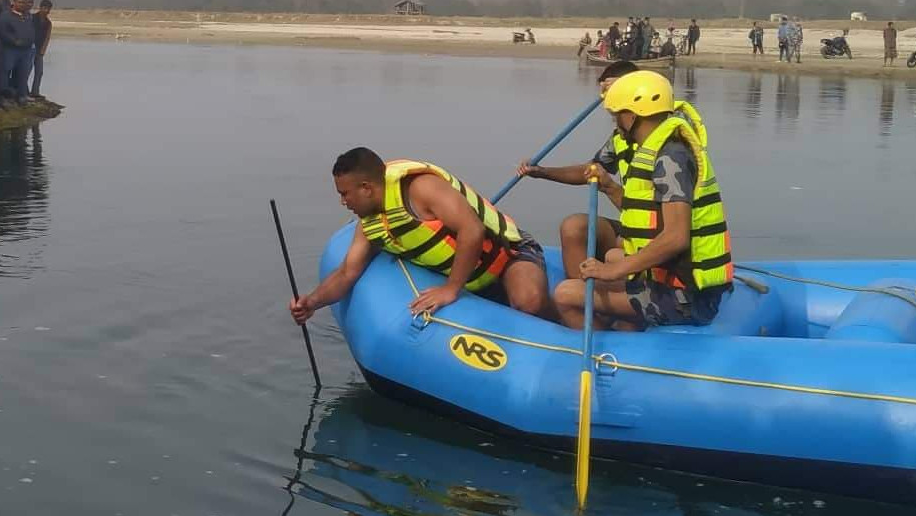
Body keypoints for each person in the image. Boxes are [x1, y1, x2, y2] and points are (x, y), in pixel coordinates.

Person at [288, 146, 558, 325]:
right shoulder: (370, 225)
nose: (343, 202)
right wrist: (311, 302)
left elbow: (472, 230)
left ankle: (568, 328)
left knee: (529, 303)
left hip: (509, 255)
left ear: (366, 188)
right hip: (474, 280)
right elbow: (347, 272)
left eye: (345, 194)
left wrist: (451, 289)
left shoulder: (420, 189)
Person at [550, 70, 734, 331]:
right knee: (612, 258)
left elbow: (676, 237)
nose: (616, 124)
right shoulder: (663, 148)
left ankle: (610, 355)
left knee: (566, 294)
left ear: (632, 116)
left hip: (684, 298)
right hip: (667, 282)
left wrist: (616, 270)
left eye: (617, 116)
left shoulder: (670, 159)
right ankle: (622, 330)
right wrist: (610, 188)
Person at [518, 60, 712, 279]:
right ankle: (579, 296)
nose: (612, 108)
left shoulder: (670, 150)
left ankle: (585, 297)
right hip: (638, 226)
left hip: (665, 237)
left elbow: (673, 232)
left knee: (613, 255)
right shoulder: (622, 139)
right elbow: (594, 171)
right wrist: (542, 172)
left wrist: (614, 268)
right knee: (575, 227)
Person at [0, 0, 37, 104]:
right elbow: (2, 32)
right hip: (10, 49)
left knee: (23, 73)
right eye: (20, 2)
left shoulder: (28, 16)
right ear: (14, 2)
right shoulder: (6, 15)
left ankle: (21, 96)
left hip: (26, 50)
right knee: (5, 71)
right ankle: (3, 96)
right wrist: (14, 41)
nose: (22, 5)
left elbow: (31, 31)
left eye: (24, 3)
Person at [32, 0, 53, 98]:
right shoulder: (32, 18)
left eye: (48, 9)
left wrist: (43, 50)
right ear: (40, 8)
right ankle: (22, 91)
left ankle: (35, 92)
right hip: (28, 48)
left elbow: (47, 37)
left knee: (39, 72)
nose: (46, 11)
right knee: (25, 71)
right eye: (44, 8)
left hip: (39, 50)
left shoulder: (48, 23)